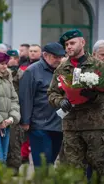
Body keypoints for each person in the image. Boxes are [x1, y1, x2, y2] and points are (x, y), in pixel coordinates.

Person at [48, 29, 104, 175]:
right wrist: (60, 102)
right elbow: (52, 93)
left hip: (95, 125)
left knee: (99, 165)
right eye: (66, 45)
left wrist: (94, 96)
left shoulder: (98, 65)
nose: (69, 47)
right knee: (74, 169)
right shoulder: (62, 68)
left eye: (72, 43)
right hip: (71, 126)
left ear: (83, 42)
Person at [20, 42, 65, 166]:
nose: (59, 60)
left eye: (61, 57)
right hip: (39, 125)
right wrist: (25, 121)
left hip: (58, 124)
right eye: (55, 57)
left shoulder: (62, 70)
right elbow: (25, 97)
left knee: (50, 162)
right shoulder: (32, 71)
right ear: (45, 55)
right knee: (42, 165)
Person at [0, 52, 20, 164]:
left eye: (6, 63)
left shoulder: (7, 79)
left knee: (4, 157)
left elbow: (14, 99)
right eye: (2, 63)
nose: (5, 66)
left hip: (6, 125)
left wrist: (11, 118)